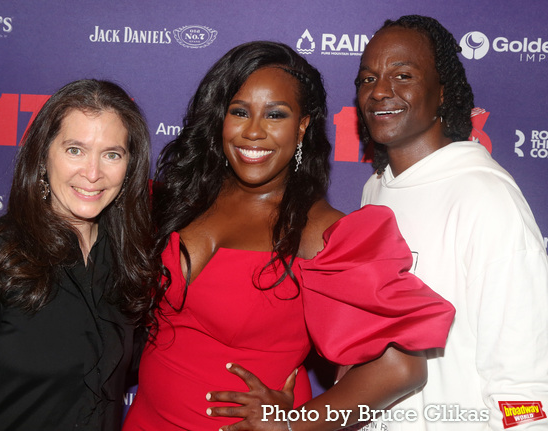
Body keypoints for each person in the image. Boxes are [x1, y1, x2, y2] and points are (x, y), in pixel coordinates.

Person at [122, 41, 455, 431]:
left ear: (302, 127)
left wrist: (296, 425)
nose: (254, 132)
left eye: (275, 115)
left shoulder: (319, 232)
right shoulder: (182, 197)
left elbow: (402, 367)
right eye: (240, 112)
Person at [356, 15, 548, 430]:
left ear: (442, 92)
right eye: (367, 79)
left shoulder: (486, 198)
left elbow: (524, 382)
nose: (380, 91)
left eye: (402, 75)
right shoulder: (375, 191)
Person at [0, 79, 157, 431]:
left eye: (111, 154)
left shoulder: (127, 261)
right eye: (75, 149)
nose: (93, 174)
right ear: (44, 155)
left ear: (129, 167)